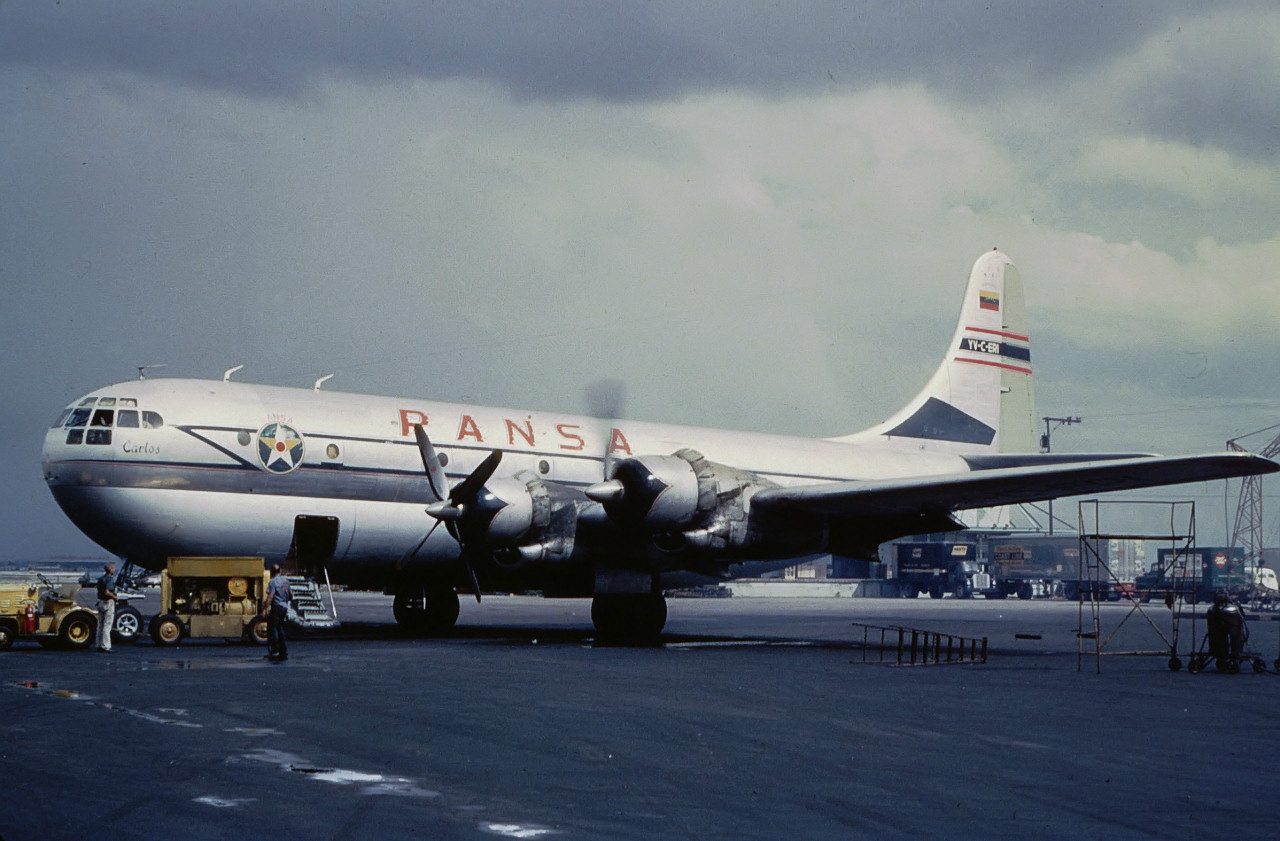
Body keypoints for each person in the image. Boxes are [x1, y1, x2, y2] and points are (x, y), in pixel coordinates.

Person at [261, 564, 292, 660]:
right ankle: (283, 650)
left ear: (272, 572)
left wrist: (264, 609)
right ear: (280, 570)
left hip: (277, 607)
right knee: (280, 628)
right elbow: (291, 595)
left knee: (272, 628)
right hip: (284, 607)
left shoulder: (273, 582)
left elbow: (270, 596)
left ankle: (275, 650)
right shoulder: (286, 582)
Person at [95, 562, 118, 652]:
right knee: (107, 625)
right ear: (111, 569)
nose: (114, 570)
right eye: (114, 568)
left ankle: (98, 644)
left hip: (100, 602)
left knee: (100, 624)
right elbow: (107, 592)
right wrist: (115, 597)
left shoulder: (101, 578)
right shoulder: (109, 579)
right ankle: (106, 646)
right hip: (108, 602)